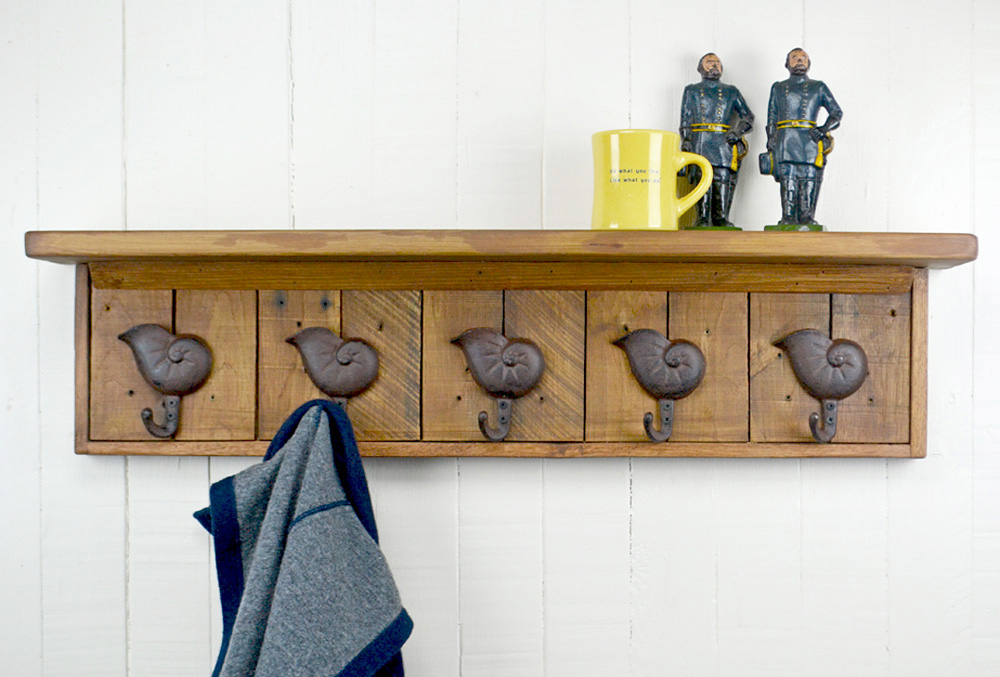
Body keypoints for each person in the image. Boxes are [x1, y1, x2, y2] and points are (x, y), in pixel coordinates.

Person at [763, 47, 842, 227]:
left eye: (803, 57)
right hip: (785, 139)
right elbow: (772, 116)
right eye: (795, 57)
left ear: (809, 63)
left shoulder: (818, 86)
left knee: (808, 178)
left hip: (810, 141)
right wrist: (771, 139)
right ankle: (788, 217)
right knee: (788, 179)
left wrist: (823, 129)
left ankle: (807, 216)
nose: (799, 60)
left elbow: (836, 113)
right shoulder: (778, 87)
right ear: (787, 63)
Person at [679, 53, 754, 228]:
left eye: (717, 63)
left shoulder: (731, 91)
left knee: (722, 179)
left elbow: (748, 117)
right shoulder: (692, 90)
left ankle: (721, 217)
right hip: (700, 141)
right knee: (702, 179)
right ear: (700, 68)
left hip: (723, 143)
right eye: (709, 62)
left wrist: (737, 131)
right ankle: (702, 218)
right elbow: (685, 120)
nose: (714, 65)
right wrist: (687, 139)